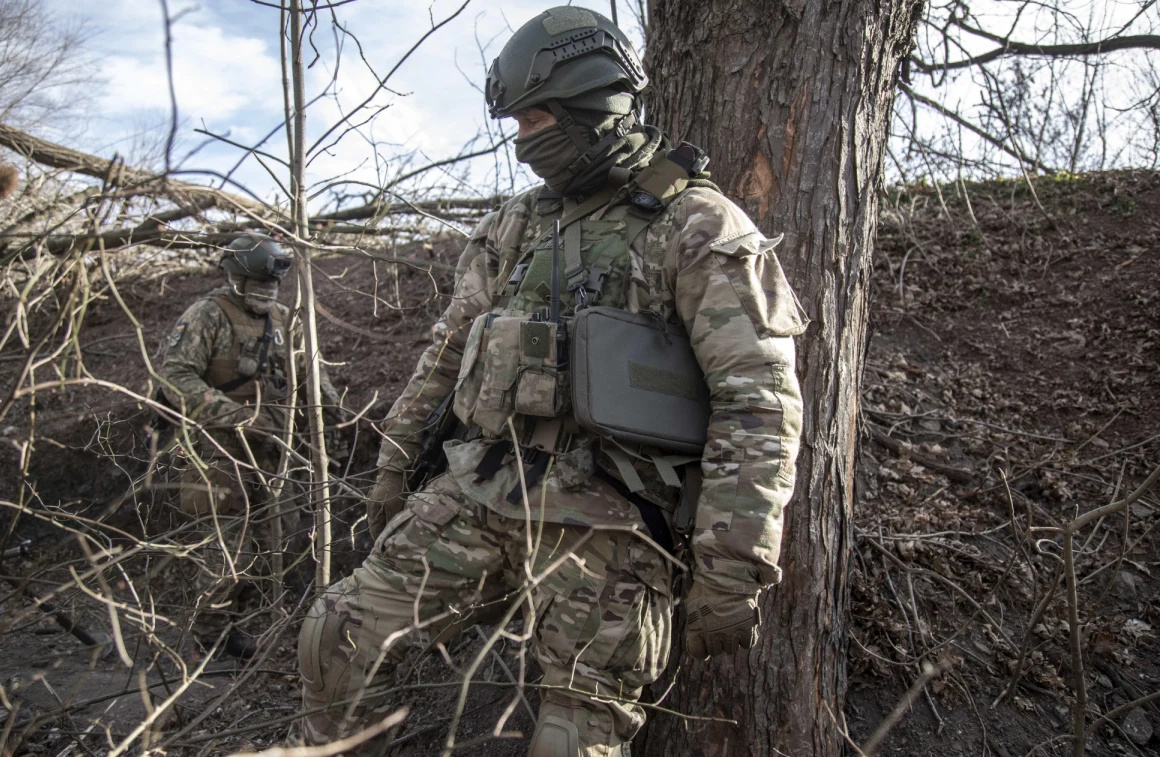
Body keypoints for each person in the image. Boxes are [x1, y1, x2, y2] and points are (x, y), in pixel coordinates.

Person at [298, 7, 808, 755]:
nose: (522, 140)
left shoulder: (698, 225)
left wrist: (733, 566)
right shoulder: (517, 224)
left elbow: (758, 401)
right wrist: (394, 462)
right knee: (337, 634)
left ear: (589, 106)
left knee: (574, 736)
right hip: (483, 483)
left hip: (615, 518)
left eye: (535, 119)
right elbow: (446, 351)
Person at [159, 232, 343, 659]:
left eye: (273, 284)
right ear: (237, 278)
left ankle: (240, 622)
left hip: (273, 449)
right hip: (219, 450)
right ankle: (210, 638)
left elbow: (311, 371)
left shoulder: (285, 320)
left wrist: (334, 414)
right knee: (227, 549)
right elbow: (175, 376)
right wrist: (234, 416)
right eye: (259, 283)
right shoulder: (207, 315)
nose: (267, 292)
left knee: (280, 537)